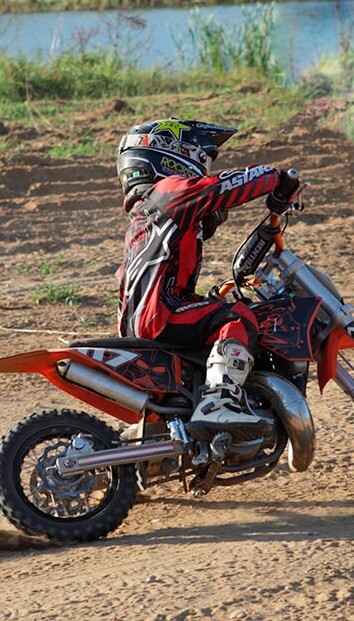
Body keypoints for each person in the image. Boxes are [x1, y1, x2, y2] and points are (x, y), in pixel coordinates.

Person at [115, 117, 297, 439]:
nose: (203, 167)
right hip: (161, 312)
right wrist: (276, 177)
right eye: (202, 158)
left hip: (146, 315)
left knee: (213, 312)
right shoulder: (167, 192)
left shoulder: (149, 212)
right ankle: (218, 403)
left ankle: (161, 436)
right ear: (173, 154)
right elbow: (223, 188)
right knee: (237, 317)